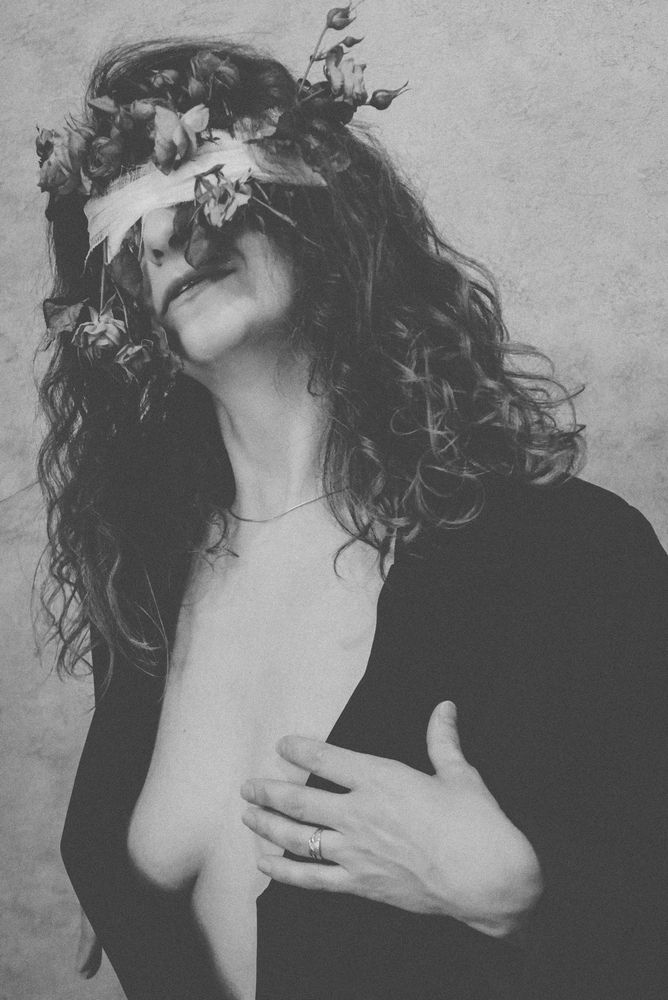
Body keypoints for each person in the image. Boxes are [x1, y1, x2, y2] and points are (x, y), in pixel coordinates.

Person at [35, 15, 667, 1000]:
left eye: (201, 180)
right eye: (126, 224)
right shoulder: (149, 593)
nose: (164, 234)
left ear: (317, 206)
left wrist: (524, 896)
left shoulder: (565, 555)